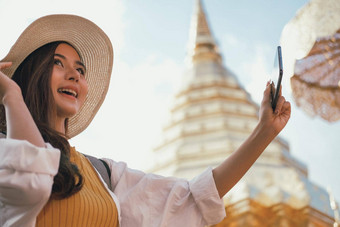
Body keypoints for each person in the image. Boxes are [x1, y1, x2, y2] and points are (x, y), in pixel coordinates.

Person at [0, 14, 291, 227]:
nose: (74, 75)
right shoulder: (5, 151)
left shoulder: (102, 173)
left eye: (80, 69)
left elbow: (189, 199)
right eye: (57, 63)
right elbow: (32, 180)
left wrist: (264, 132)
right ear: (32, 76)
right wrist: (12, 95)